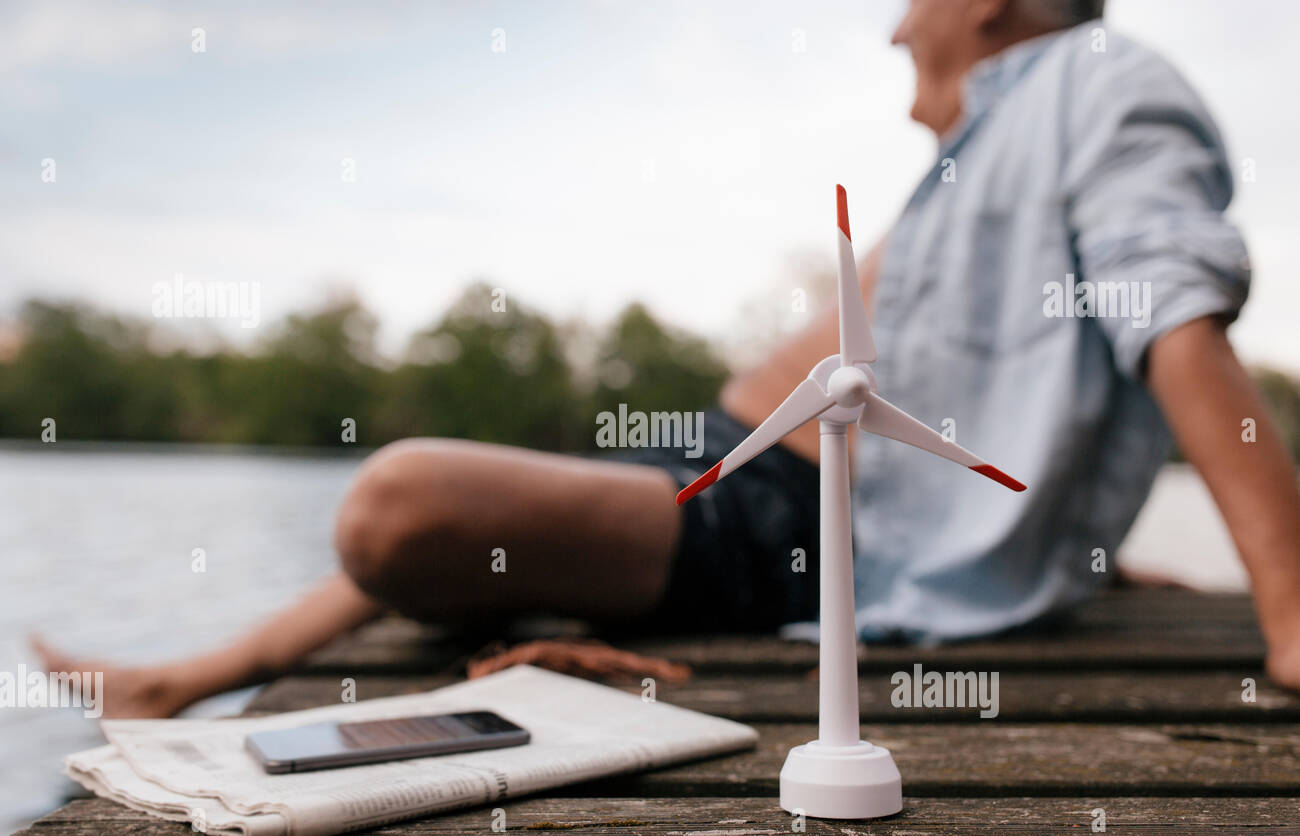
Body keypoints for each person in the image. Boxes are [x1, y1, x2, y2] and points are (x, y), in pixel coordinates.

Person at [36, 0, 1300, 715]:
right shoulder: (998, 141)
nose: (887, 25)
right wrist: (1082, 536)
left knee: (395, 505)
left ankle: (189, 674)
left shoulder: (1099, 80)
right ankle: (190, 673)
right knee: (475, 514)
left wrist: (1287, 603)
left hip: (771, 517)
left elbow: (1170, 320)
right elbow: (1038, 387)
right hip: (726, 473)